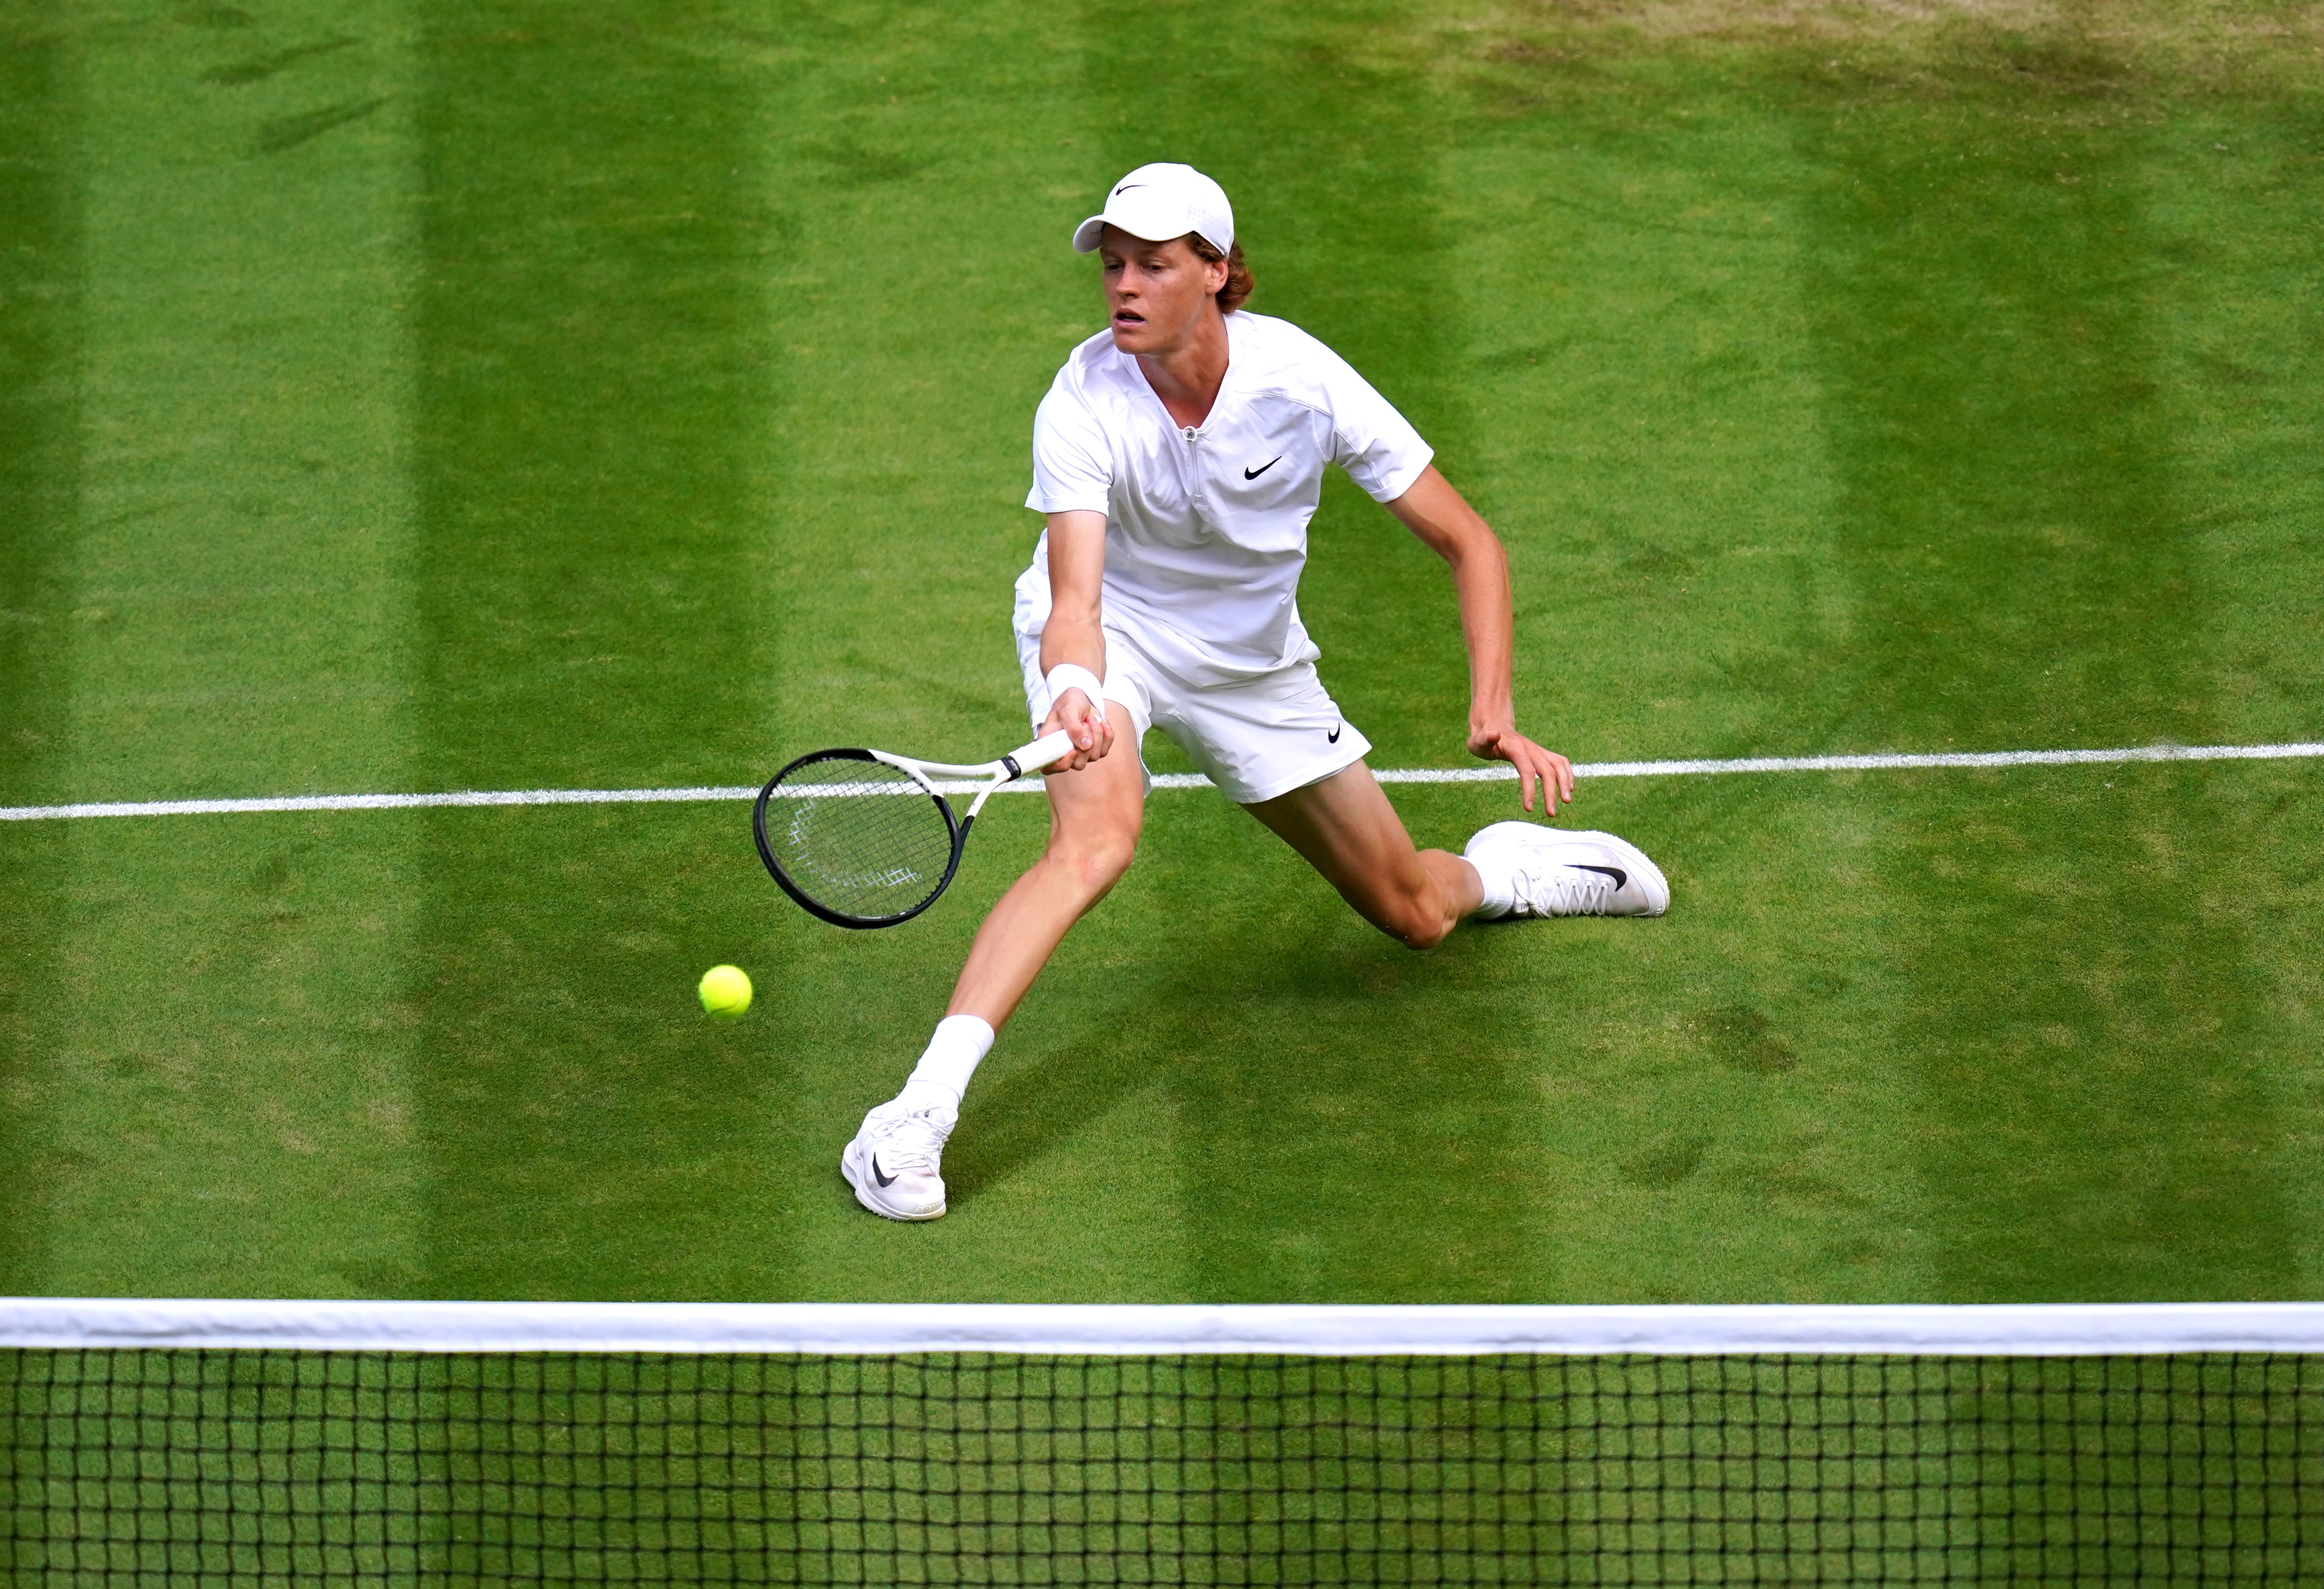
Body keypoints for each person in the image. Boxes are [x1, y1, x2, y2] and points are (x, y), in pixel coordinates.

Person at [841, 163, 1668, 1221]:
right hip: (1121, 634)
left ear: (1220, 274)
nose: (1124, 286)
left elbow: (1468, 539)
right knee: (1096, 843)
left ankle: (1504, 874)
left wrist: (1493, 709)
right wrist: (1075, 688)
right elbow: (1076, 594)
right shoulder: (1081, 398)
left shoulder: (1302, 380)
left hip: (1254, 665)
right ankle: (912, 1120)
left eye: (1154, 264)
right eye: (1113, 264)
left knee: (1412, 914)